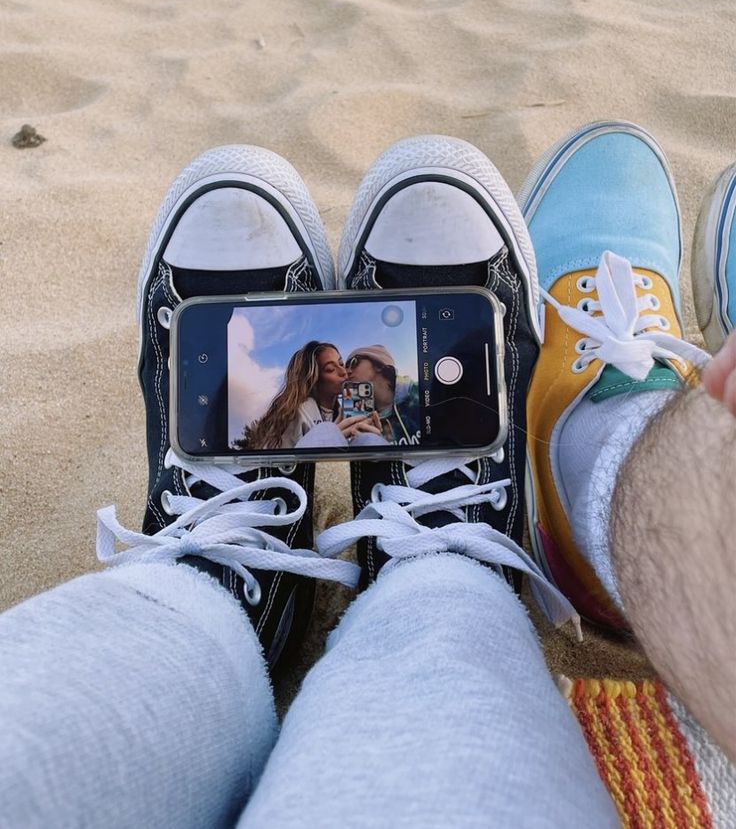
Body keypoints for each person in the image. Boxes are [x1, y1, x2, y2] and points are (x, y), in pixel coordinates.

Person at [0, 130, 733, 828]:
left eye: (361, 375)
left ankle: (214, 595)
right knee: (448, 615)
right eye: (336, 372)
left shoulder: (371, 403)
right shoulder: (299, 407)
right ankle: (450, 564)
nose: (347, 380)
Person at [243, 340, 381, 449]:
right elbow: (280, 464)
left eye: (341, 363)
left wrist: (373, 440)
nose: (343, 371)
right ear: (314, 379)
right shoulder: (298, 412)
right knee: (327, 430)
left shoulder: (344, 411)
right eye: (331, 369)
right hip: (301, 482)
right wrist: (330, 437)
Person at [344, 344, 420, 445]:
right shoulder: (362, 419)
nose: (347, 371)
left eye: (354, 363)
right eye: (346, 368)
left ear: (379, 365)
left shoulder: (418, 393)